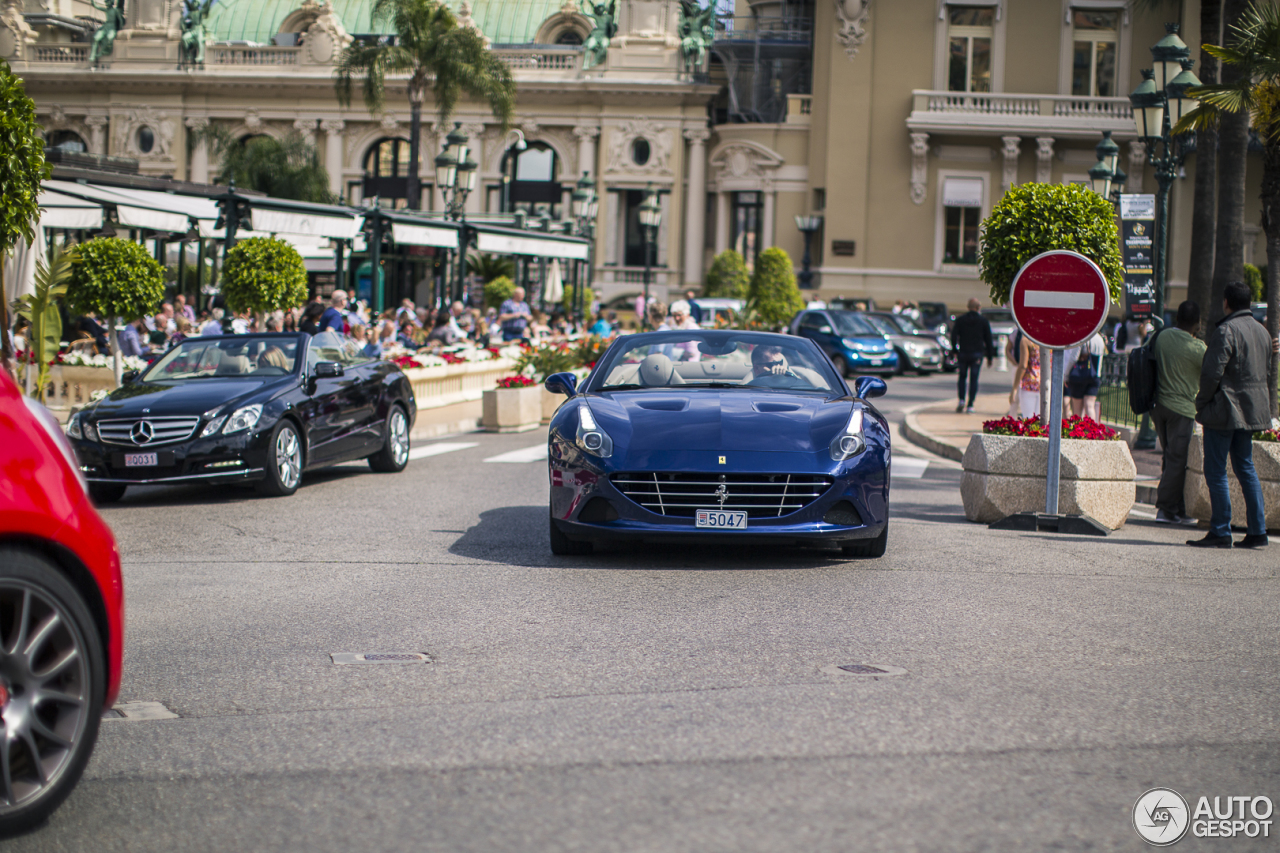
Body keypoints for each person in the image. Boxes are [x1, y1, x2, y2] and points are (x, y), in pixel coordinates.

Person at [1188, 281, 1275, 549]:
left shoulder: (1226, 331)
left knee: (1215, 469)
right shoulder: (1262, 332)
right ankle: (1258, 531)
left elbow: (1212, 372)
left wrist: (1202, 404)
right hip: (1252, 409)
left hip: (1225, 408)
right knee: (1245, 467)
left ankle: (1221, 529)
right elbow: (1268, 372)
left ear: (1227, 301)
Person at [1150, 300, 1207, 526]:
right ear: (1198, 323)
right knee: (1177, 459)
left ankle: (1178, 507)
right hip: (1182, 410)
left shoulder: (1162, 337)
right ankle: (1165, 509)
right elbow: (1214, 370)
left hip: (1159, 407)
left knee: (1171, 456)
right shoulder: (1198, 348)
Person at [951, 298, 994, 413]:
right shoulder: (983, 321)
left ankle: (961, 399)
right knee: (974, 378)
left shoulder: (960, 320)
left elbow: (954, 335)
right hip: (977, 353)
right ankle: (970, 404)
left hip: (963, 352)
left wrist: (955, 349)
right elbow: (988, 339)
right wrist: (990, 356)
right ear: (978, 307)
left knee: (962, 376)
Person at [1067, 331, 1107, 421]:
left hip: (1080, 375)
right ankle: (1091, 431)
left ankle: (1077, 431)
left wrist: (1066, 374)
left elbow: (1074, 357)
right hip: (1095, 375)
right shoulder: (1100, 339)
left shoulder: (1084, 337)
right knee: (1090, 406)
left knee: (1077, 409)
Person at [1010, 334, 1041, 418]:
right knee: (1041, 420)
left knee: (1028, 418)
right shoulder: (1049, 342)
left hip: (1029, 383)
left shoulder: (1026, 341)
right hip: (1045, 383)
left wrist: (1014, 388)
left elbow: (1023, 366)